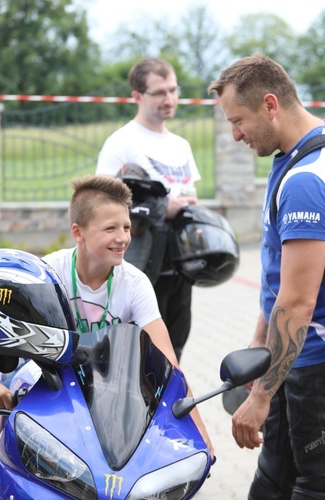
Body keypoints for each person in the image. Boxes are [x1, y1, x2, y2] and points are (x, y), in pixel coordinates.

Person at [0, 175, 212, 498]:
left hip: (108, 390)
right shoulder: (48, 274)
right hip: (45, 375)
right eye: (110, 229)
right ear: (79, 233)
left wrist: (198, 431)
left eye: (127, 227)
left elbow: (169, 363)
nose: (123, 238)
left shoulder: (136, 284)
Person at [207, 53, 325, 499]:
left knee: (319, 489)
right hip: (300, 352)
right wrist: (258, 344)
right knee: (273, 483)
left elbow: (299, 300)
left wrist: (262, 396)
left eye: (239, 121)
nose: (235, 135)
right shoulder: (297, 152)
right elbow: (279, 281)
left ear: (271, 105)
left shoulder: (308, 178)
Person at [96, 57, 200, 362]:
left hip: (179, 264)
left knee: (174, 348)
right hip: (139, 263)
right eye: (159, 92)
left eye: (173, 90)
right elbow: (102, 205)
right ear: (138, 96)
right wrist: (158, 209)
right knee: (137, 353)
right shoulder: (122, 143)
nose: (169, 99)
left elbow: (189, 191)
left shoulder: (180, 144)